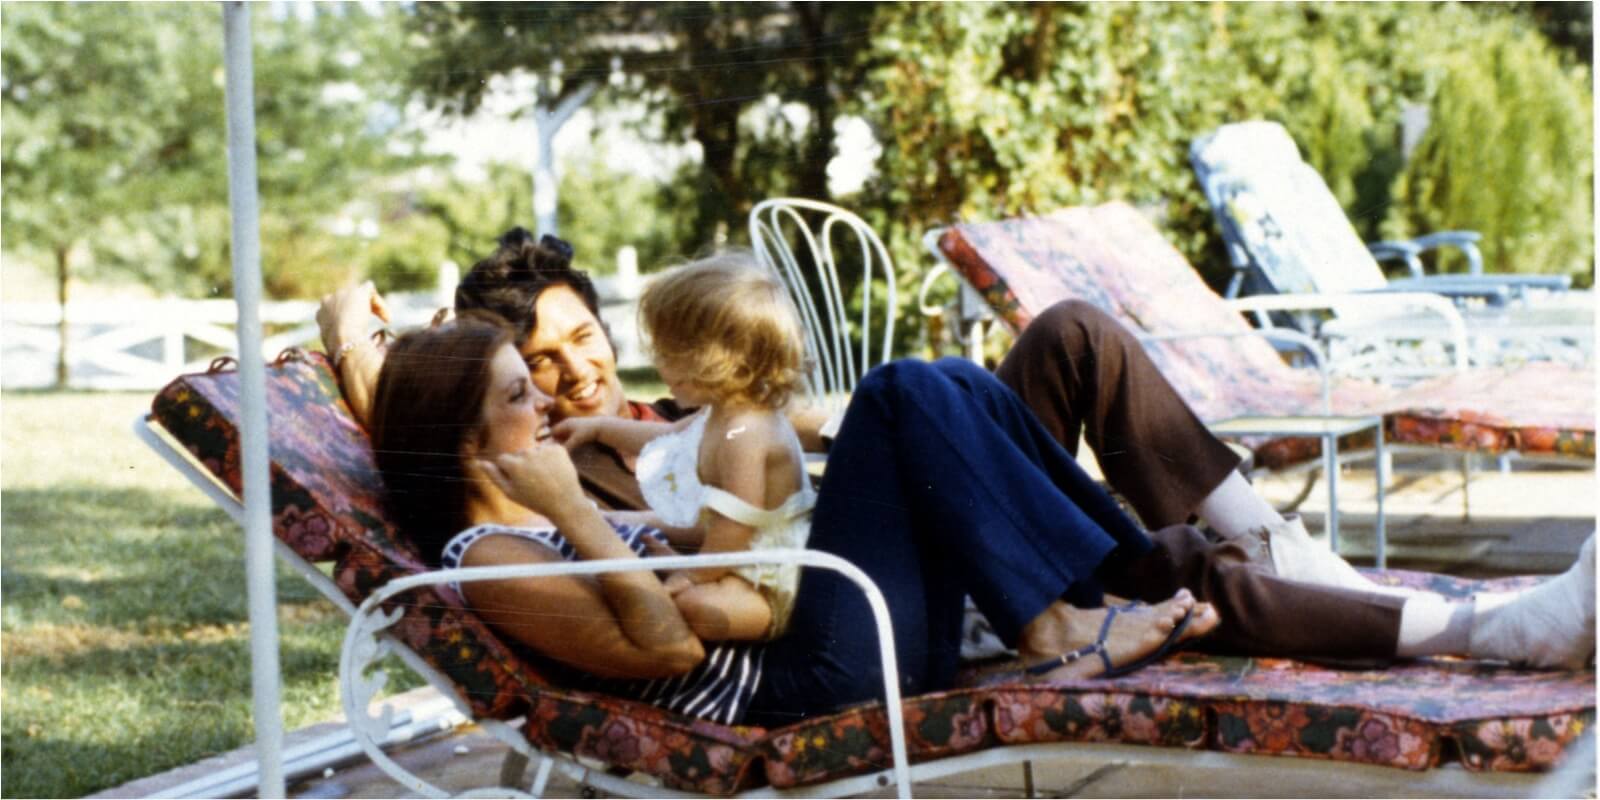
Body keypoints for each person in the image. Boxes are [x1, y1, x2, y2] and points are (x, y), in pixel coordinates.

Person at [321, 231, 1596, 672]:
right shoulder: (536, 496)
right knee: (918, 401)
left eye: (583, 342)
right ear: (482, 417)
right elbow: (669, 619)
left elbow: (786, 443)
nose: (570, 379)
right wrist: (347, 336)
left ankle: (1273, 548)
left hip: (875, 543)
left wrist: (817, 427)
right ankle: (1456, 625)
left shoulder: (645, 423)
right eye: (531, 375)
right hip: (851, 606)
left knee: (1069, 335)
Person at [368, 314, 1222, 726]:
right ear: (465, 444)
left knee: (948, 380)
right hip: (808, 684)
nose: (546, 399)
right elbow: (668, 649)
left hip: (828, 635)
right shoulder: (490, 560)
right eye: (522, 393)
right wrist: (573, 509)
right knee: (897, 393)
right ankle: (1062, 622)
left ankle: (1117, 573)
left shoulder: (531, 523)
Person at [553, 254, 817, 642]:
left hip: (773, 574)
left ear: (718, 360)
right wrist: (598, 429)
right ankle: (696, 577)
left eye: (668, 354)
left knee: (691, 608)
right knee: (669, 582)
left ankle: (764, 619)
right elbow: (667, 438)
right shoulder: (721, 413)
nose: (658, 364)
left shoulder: (747, 432)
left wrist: (692, 573)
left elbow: (735, 526)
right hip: (734, 555)